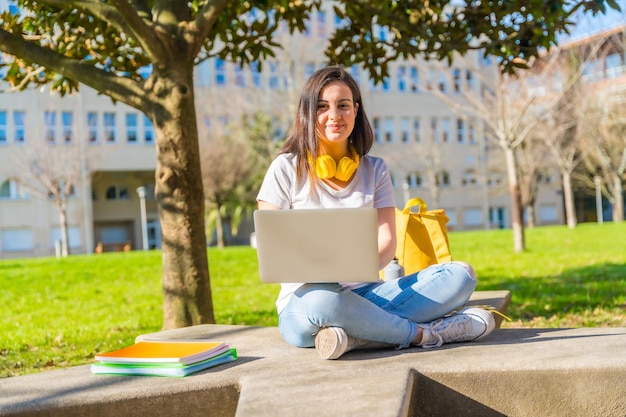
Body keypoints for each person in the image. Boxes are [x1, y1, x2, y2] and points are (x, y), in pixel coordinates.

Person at [256, 65, 495, 360]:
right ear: (307, 113)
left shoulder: (376, 170)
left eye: (343, 105)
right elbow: (274, 250)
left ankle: (355, 337)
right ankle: (426, 334)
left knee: (460, 276)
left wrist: (351, 268)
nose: (334, 115)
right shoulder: (285, 168)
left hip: (371, 296)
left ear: (356, 110)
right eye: (322, 107)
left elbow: (386, 246)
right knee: (324, 302)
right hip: (306, 303)